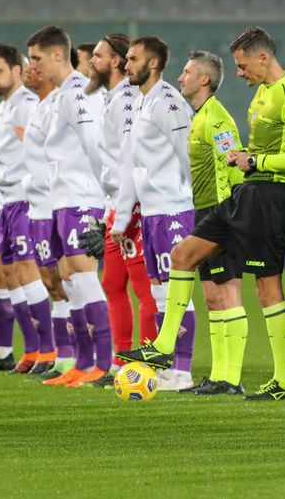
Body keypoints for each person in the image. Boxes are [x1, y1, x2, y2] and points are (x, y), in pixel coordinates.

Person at [119, 26, 285, 402]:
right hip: (243, 196)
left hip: (268, 197)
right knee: (183, 256)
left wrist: (252, 160)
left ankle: (280, 381)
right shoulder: (260, 97)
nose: (239, 74)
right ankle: (163, 346)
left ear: (263, 57)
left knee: (264, 287)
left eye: (242, 66)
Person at [26, 25, 114, 387]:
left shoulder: (78, 92)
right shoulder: (61, 95)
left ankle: (104, 362)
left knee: (83, 276)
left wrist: (106, 204)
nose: (33, 65)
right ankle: (82, 360)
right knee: (70, 279)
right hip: (61, 200)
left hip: (82, 198)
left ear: (58, 55)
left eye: (36, 58)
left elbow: (96, 147)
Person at [110, 37, 197, 391]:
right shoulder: (144, 104)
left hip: (174, 208)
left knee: (178, 289)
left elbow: (188, 155)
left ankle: (183, 370)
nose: (126, 65)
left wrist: (195, 201)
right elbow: (132, 165)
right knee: (161, 290)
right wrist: (120, 218)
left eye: (132, 59)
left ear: (154, 64)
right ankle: (169, 365)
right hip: (152, 213)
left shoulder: (169, 102)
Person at [177, 50, 249, 396]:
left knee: (228, 291)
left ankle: (231, 378)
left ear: (204, 79)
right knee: (212, 296)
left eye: (187, 72)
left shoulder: (216, 118)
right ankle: (220, 376)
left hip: (222, 213)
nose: (181, 77)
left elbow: (234, 164)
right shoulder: (200, 115)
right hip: (204, 211)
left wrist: (232, 217)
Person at [90, 34, 157, 366]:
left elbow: (131, 160)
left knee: (145, 289)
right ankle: (120, 360)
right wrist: (108, 211)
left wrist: (124, 214)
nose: (91, 61)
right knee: (113, 282)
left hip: (134, 208)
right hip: (117, 207)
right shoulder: (111, 98)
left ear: (115, 61)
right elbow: (111, 164)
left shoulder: (128, 100)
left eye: (98, 56)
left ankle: (147, 360)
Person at [0, 44, 52, 374]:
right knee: (8, 275)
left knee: (27, 273)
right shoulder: (4, 108)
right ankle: (32, 348)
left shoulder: (26, 104)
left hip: (26, 199)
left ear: (16, 70)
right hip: (7, 202)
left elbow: (39, 149)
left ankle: (49, 349)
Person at [20, 56, 69, 378]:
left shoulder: (56, 105)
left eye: (35, 62)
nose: (29, 68)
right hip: (37, 206)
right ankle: (62, 354)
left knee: (67, 281)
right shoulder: (38, 106)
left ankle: (77, 355)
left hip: (55, 205)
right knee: (52, 282)